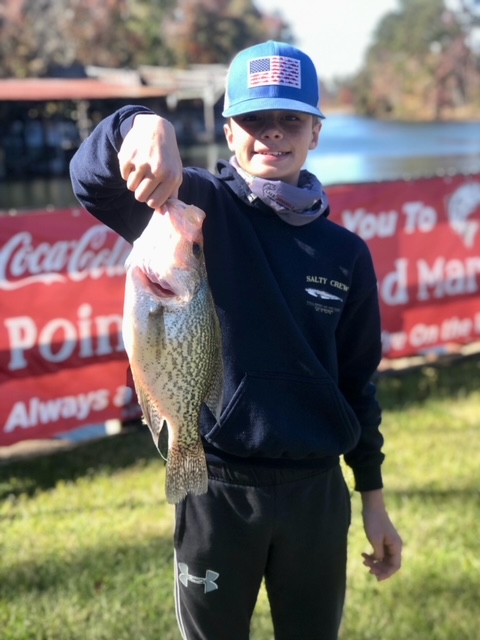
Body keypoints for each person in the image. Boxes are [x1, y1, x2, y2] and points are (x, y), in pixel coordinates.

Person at [70, 40, 402, 640]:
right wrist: (141, 124)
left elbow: (359, 385)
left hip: (316, 494)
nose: (272, 135)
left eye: (291, 120)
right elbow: (91, 180)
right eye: (254, 120)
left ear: (316, 132)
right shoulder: (191, 205)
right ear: (228, 130)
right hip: (216, 488)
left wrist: (373, 497)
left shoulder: (346, 254)